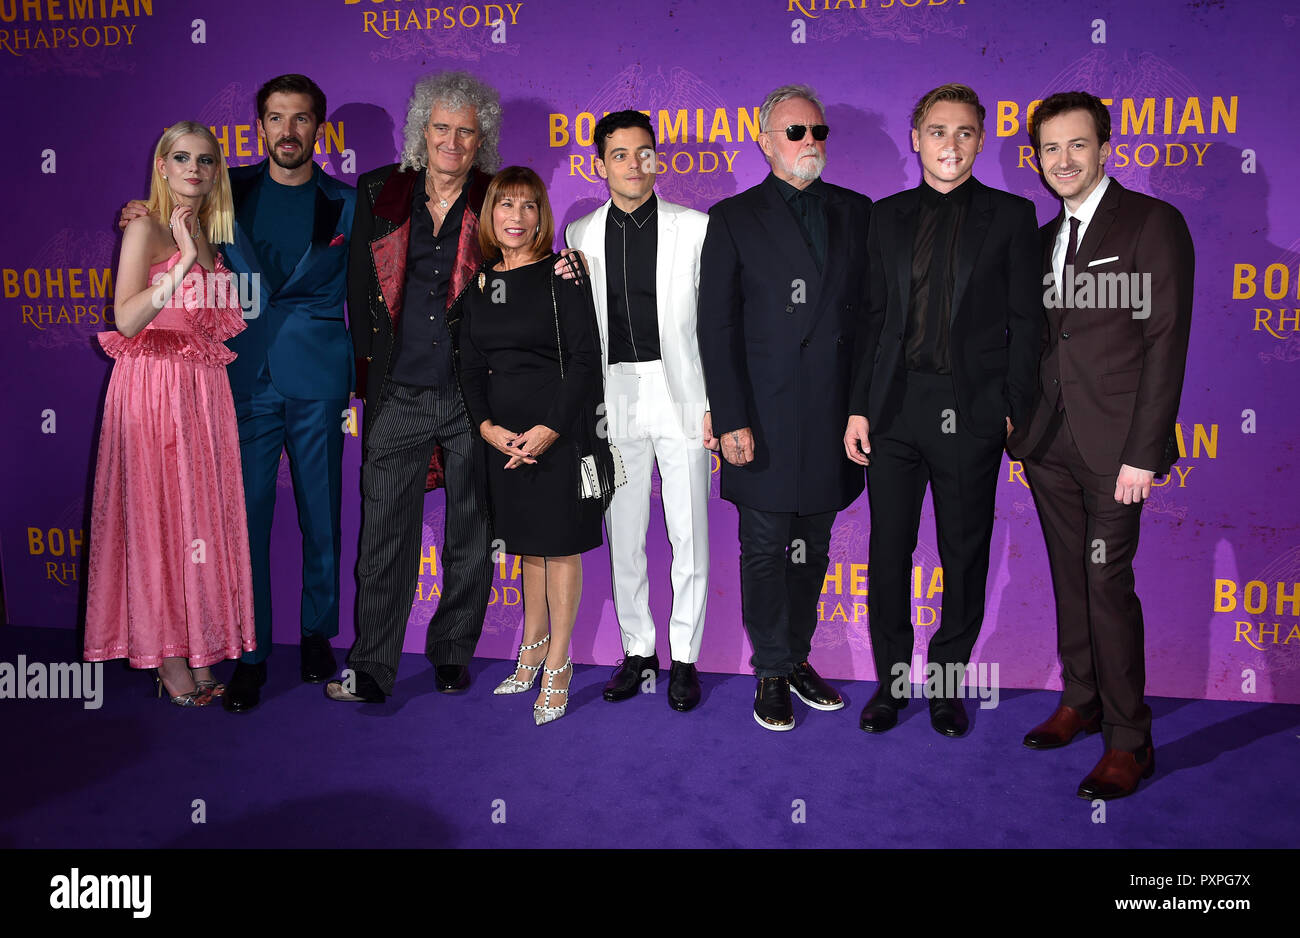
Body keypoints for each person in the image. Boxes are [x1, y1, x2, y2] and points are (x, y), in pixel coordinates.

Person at [120, 75, 356, 715]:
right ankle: (251, 653)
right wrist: (139, 213)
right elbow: (172, 224)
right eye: (276, 118)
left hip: (318, 380)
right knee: (243, 523)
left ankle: (315, 635)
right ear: (260, 126)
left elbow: (369, 292)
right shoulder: (228, 191)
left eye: (301, 119)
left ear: (317, 128)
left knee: (322, 519)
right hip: (238, 380)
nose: (288, 130)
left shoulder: (346, 202)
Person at [1008, 91, 1194, 799]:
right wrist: (1017, 425)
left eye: (1076, 145)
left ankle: (1130, 739)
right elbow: (1035, 338)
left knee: (1107, 586)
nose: (1063, 159)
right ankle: (1081, 700)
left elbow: (1163, 341)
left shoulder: (1152, 223)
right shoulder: (1041, 236)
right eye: (1050, 148)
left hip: (1118, 448)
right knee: (1068, 576)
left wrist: (1143, 453)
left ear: (1105, 148)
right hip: (1048, 443)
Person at [844, 83, 1040, 739]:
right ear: (915, 138)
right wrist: (858, 408)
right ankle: (893, 685)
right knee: (890, 553)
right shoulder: (885, 216)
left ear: (980, 141)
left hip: (971, 410)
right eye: (936, 131)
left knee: (964, 556)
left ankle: (947, 686)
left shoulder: (1013, 217)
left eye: (963, 132)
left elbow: (1026, 322)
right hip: (895, 410)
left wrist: (1010, 407)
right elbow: (871, 320)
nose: (949, 144)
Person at [697, 84, 871, 732]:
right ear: (766, 140)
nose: (810, 144)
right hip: (761, 421)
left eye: (818, 132)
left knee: (812, 548)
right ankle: (770, 669)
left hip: (830, 420)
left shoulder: (858, 213)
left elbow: (872, 325)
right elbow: (715, 328)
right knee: (766, 547)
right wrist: (731, 415)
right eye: (795, 133)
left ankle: (796, 658)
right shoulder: (734, 218)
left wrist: (860, 409)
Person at [326, 71, 501, 704]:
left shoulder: (497, 196)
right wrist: (364, 376)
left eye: (465, 131)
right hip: (396, 390)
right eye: (441, 128)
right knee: (384, 535)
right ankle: (372, 664)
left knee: (470, 534)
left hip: (472, 396)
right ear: (419, 131)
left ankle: (453, 652)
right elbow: (355, 288)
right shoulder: (380, 189)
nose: (452, 141)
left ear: (481, 141)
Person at [85, 122, 255, 705]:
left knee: (197, 525)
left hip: (203, 396)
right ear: (161, 165)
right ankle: (169, 658)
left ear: (216, 174)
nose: (193, 169)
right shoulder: (145, 229)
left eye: (206, 161)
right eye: (181, 158)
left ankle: (198, 647)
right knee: (158, 520)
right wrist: (181, 261)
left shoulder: (213, 236)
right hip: (153, 390)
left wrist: (196, 252)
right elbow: (127, 320)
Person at [564, 110, 713, 713]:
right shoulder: (577, 235)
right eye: (619, 154)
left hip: (684, 393)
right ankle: (638, 651)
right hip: (612, 396)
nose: (633, 164)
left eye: (643, 152)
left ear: (657, 158)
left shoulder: (697, 228)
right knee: (623, 530)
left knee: (689, 532)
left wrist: (715, 405)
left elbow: (718, 325)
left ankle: (684, 658)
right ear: (599, 165)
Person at [459, 166, 609, 725]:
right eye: (505, 205)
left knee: (559, 548)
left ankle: (559, 666)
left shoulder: (562, 274)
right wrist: (488, 429)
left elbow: (585, 358)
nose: (516, 217)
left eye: (528, 206)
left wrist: (549, 430)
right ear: (490, 216)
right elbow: (471, 367)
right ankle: (532, 648)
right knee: (529, 550)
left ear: (541, 216)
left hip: (561, 434)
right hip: (505, 442)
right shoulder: (479, 285)